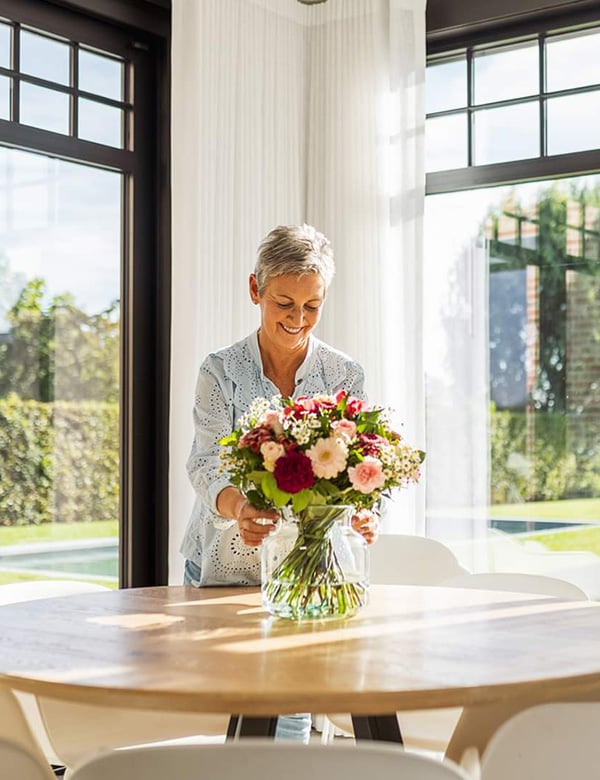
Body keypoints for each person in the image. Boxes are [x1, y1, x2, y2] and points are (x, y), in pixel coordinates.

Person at [181, 223, 377, 742]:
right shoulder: (219, 371)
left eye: (312, 306)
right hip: (225, 567)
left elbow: (352, 468)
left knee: (288, 722)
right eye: (283, 303)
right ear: (255, 290)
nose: (298, 319)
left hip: (308, 576)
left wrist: (362, 511)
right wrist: (238, 509)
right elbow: (206, 462)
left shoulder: (345, 374)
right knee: (225, 717)